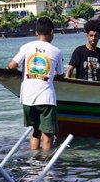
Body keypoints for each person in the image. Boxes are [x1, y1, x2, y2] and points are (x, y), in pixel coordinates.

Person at [8, 17, 64, 150]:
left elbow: (11, 66)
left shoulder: (26, 47)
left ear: (36, 33)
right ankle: (46, 162)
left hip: (28, 98)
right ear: (52, 32)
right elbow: (61, 74)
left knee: (35, 132)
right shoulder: (56, 51)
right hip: (46, 99)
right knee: (48, 136)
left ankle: (34, 160)